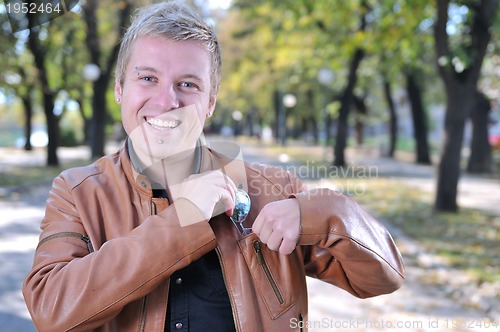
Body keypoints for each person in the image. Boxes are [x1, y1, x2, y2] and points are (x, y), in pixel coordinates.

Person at [23, 1, 405, 331]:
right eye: (148, 78)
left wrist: (323, 213)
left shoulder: (271, 188)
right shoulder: (78, 192)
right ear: (120, 89)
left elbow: (380, 279)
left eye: (188, 84)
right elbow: (51, 311)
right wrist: (184, 219)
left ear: (210, 103)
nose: (166, 99)